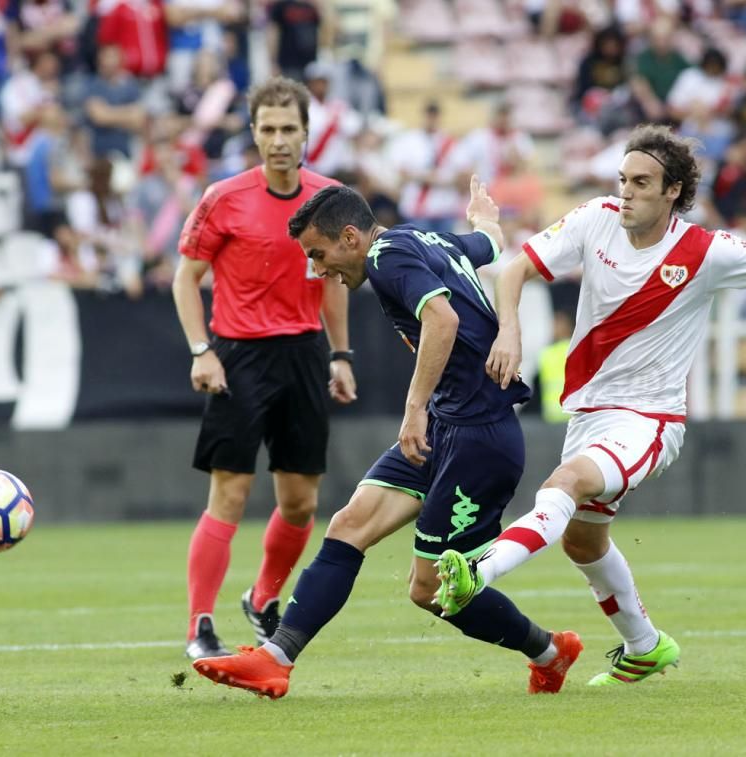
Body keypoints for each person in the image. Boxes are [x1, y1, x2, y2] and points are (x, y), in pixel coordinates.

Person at [434, 124, 746, 687]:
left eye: (641, 182)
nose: (626, 192)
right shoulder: (595, 217)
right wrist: (510, 330)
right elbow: (516, 269)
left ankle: (478, 570)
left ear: (673, 190)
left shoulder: (706, 251)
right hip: (590, 413)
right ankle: (646, 646)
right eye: (623, 179)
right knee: (583, 540)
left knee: (564, 483)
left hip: (649, 420)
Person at [191, 178, 583, 699]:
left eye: (318, 253)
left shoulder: (385, 258)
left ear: (351, 237)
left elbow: (440, 319)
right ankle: (274, 659)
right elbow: (487, 243)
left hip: (478, 440)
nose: (316, 269)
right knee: (349, 523)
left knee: (431, 590)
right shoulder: (423, 239)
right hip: (448, 425)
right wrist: (484, 217)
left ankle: (552, 653)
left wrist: (413, 408)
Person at [172, 75, 357, 661]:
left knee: (301, 500)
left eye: (289, 129)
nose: (279, 140)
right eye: (268, 129)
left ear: (307, 135)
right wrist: (202, 351)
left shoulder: (329, 200)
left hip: (304, 354)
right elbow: (186, 278)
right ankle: (200, 625)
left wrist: (341, 354)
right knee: (229, 491)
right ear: (253, 133)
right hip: (239, 355)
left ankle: (262, 597)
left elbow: (333, 282)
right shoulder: (223, 198)